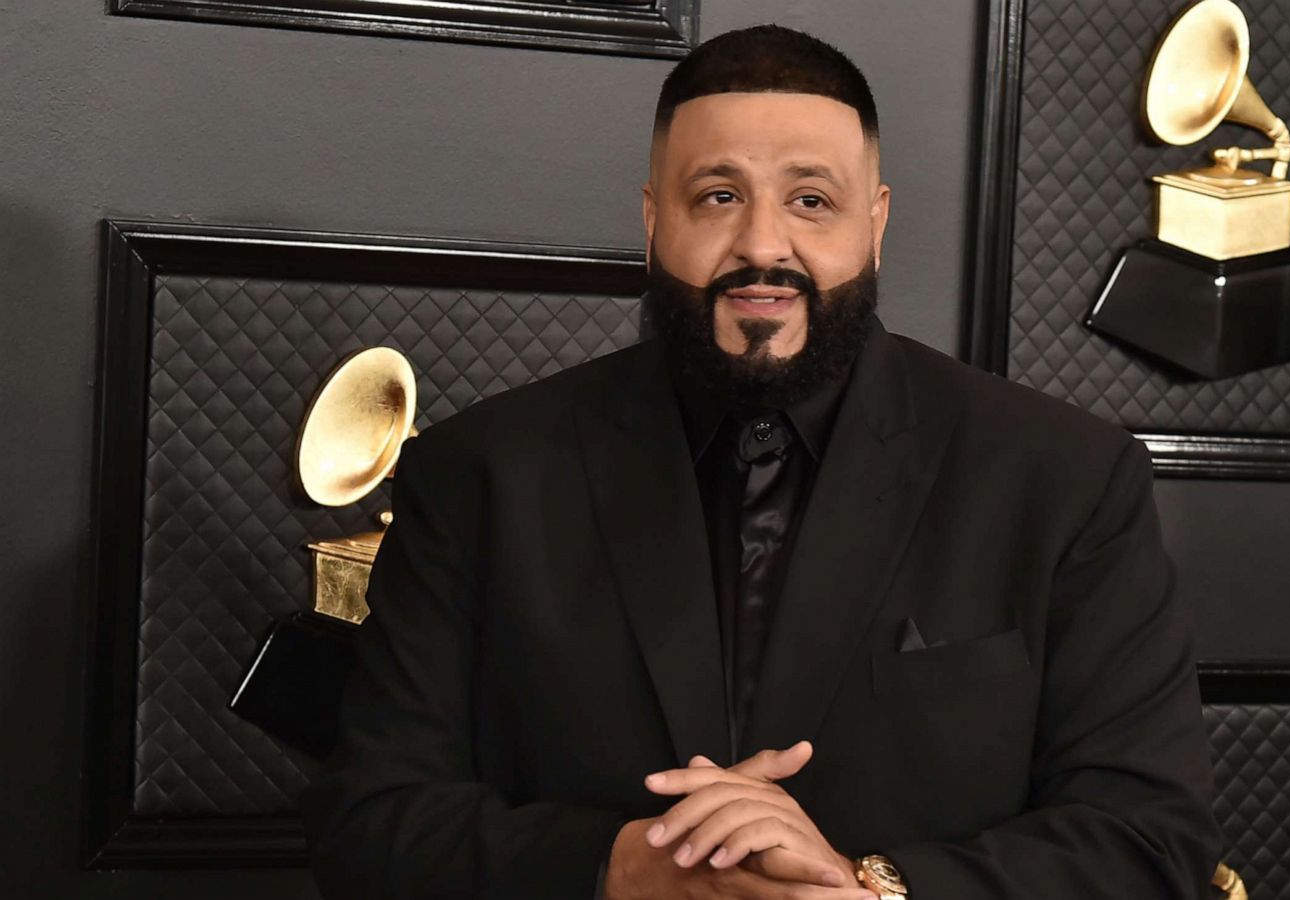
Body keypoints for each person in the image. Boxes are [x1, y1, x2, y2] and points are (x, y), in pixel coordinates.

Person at [302, 24, 1221, 900]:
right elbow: (370, 828)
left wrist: (871, 890)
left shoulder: (1068, 477)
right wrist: (623, 869)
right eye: (718, 196)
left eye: (811, 200)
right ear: (654, 221)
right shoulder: (477, 474)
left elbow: (1148, 840)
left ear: (875, 224)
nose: (762, 246)